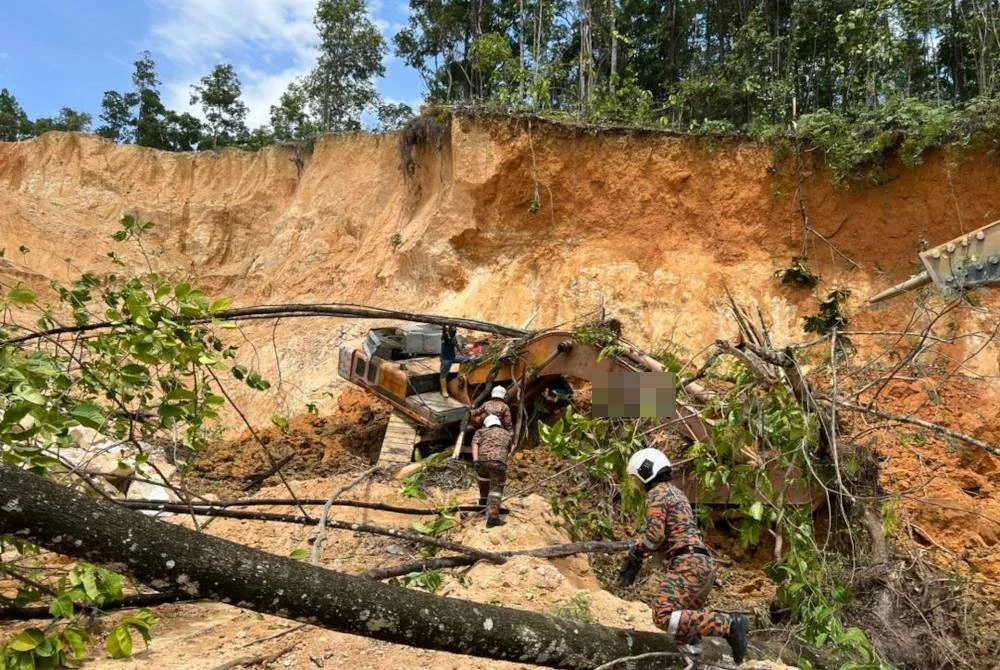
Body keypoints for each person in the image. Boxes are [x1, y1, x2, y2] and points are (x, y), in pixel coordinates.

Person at [618, 447, 749, 665]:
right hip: (700, 563)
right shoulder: (676, 494)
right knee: (684, 627)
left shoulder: (657, 494)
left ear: (645, 472)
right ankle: (695, 662)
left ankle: (730, 625)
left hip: (687, 564)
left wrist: (636, 553)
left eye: (636, 478)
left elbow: (654, 537)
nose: (637, 485)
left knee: (663, 616)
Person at [470, 414, 512, 527]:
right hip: (499, 463)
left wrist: (475, 461)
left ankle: (483, 503)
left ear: (486, 424)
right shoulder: (507, 434)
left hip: (483, 462)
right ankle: (493, 517)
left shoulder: (480, 432)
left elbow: (475, 445)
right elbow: (508, 449)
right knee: (496, 490)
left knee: (483, 479)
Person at [439, 325, 469, 397]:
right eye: (452, 331)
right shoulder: (446, 337)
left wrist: (463, 354)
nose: (454, 333)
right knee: (443, 375)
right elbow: (444, 333)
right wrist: (444, 327)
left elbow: (457, 346)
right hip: (446, 359)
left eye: (455, 331)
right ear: (449, 331)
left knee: (466, 359)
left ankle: (460, 374)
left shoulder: (454, 338)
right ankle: (444, 391)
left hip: (453, 357)